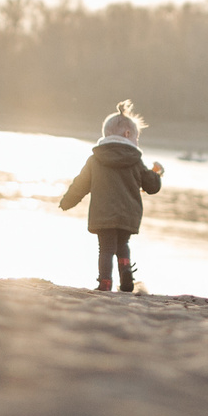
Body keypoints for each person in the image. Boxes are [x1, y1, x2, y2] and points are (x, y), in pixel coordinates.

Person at [58, 101, 163, 292]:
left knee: (105, 248)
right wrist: (157, 174)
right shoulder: (136, 161)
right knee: (123, 244)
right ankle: (126, 274)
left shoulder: (95, 159)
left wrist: (67, 202)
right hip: (127, 214)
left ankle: (105, 282)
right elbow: (151, 185)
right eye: (137, 138)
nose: (137, 142)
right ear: (128, 134)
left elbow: (81, 184)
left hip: (103, 213)